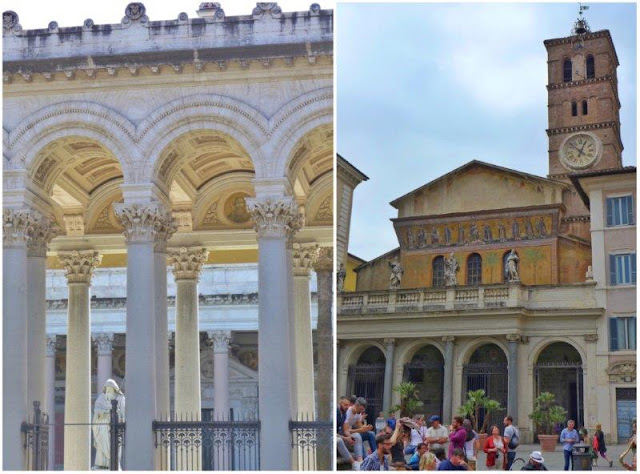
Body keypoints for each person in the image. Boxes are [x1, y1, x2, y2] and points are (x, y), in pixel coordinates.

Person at [92, 379, 125, 470]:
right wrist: (106, 411)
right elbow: (97, 411)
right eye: (107, 389)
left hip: (114, 430)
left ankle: (114, 463)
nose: (108, 391)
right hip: (102, 427)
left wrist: (117, 413)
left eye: (111, 389)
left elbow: (123, 415)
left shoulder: (120, 398)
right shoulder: (101, 398)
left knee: (114, 445)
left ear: (115, 389)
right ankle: (101, 464)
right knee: (101, 445)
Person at [343, 397, 377, 468]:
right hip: (347, 435)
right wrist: (360, 430)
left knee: (371, 434)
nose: (362, 411)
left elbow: (360, 427)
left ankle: (376, 457)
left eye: (363, 410)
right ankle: (365, 459)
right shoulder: (348, 412)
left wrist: (366, 428)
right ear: (356, 405)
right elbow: (346, 431)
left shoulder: (358, 413)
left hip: (354, 432)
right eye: (361, 409)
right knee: (358, 435)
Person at [336, 397, 356, 468]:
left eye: (348, 405)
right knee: (340, 440)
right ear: (339, 404)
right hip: (331, 436)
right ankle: (354, 463)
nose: (347, 407)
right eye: (345, 405)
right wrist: (345, 438)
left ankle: (361, 458)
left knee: (356, 437)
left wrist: (350, 437)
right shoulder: (335, 412)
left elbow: (345, 430)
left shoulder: (344, 414)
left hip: (338, 434)